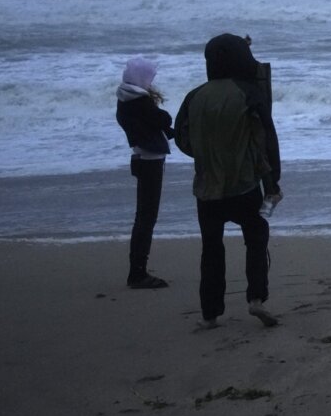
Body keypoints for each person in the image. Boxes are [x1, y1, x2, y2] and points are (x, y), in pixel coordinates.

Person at [174, 33, 283, 329]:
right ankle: (256, 299)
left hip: (206, 188)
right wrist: (273, 182)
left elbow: (182, 138)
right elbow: (266, 140)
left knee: (211, 248)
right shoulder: (249, 93)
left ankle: (210, 314)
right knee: (256, 236)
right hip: (244, 185)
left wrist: (206, 155)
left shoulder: (194, 96)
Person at [115, 56, 175, 289]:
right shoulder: (140, 101)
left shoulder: (125, 99)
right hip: (150, 160)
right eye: (149, 78)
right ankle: (138, 273)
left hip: (141, 157)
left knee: (143, 216)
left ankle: (137, 269)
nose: (151, 82)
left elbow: (155, 124)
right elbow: (163, 119)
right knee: (146, 218)